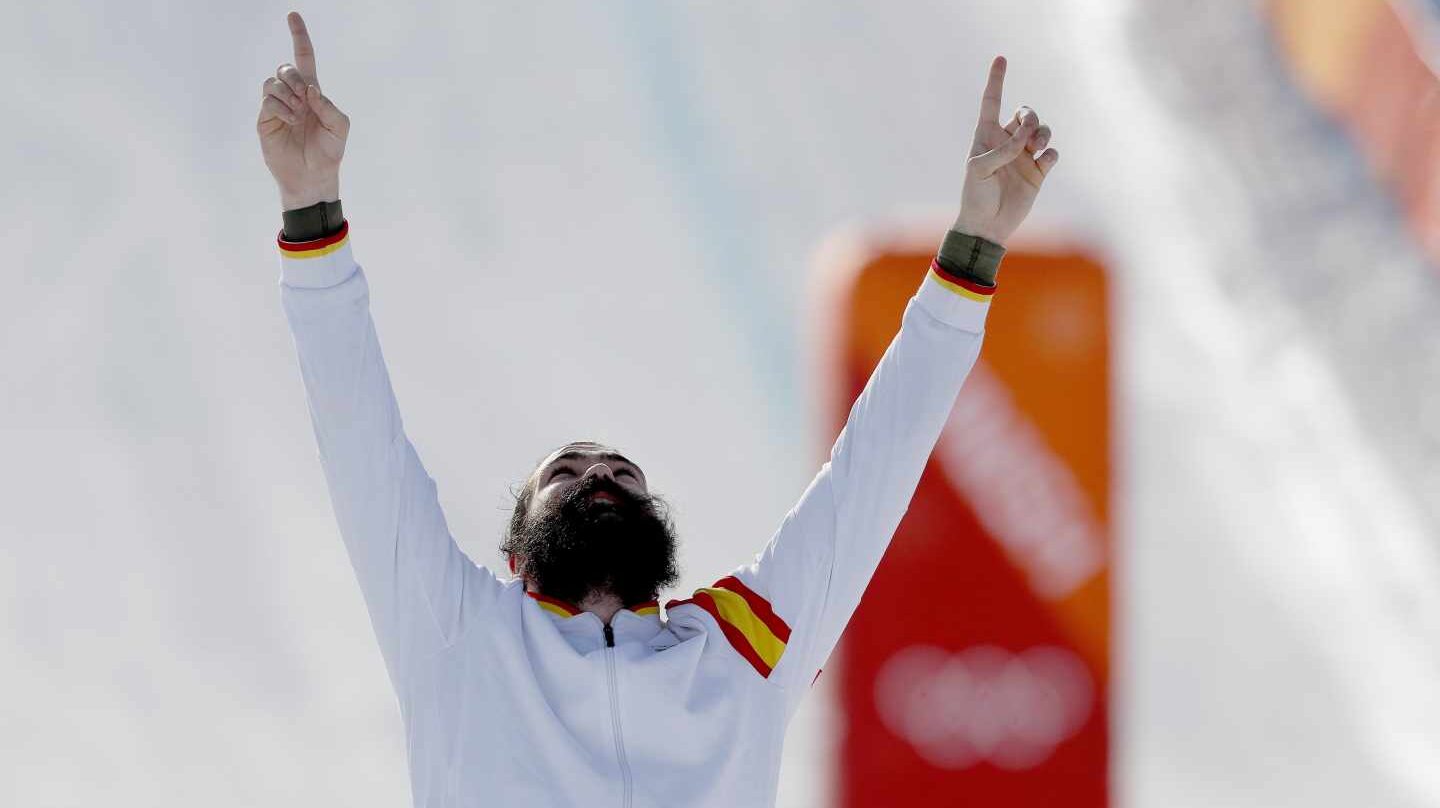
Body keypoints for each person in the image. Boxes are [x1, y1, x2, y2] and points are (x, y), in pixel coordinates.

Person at [258, 11, 1057, 807]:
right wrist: (310, 204)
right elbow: (359, 436)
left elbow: (873, 470)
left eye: (620, 471)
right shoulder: (457, 632)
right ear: (514, 559)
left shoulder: (740, 648)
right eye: (565, 472)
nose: (598, 470)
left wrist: (975, 243)